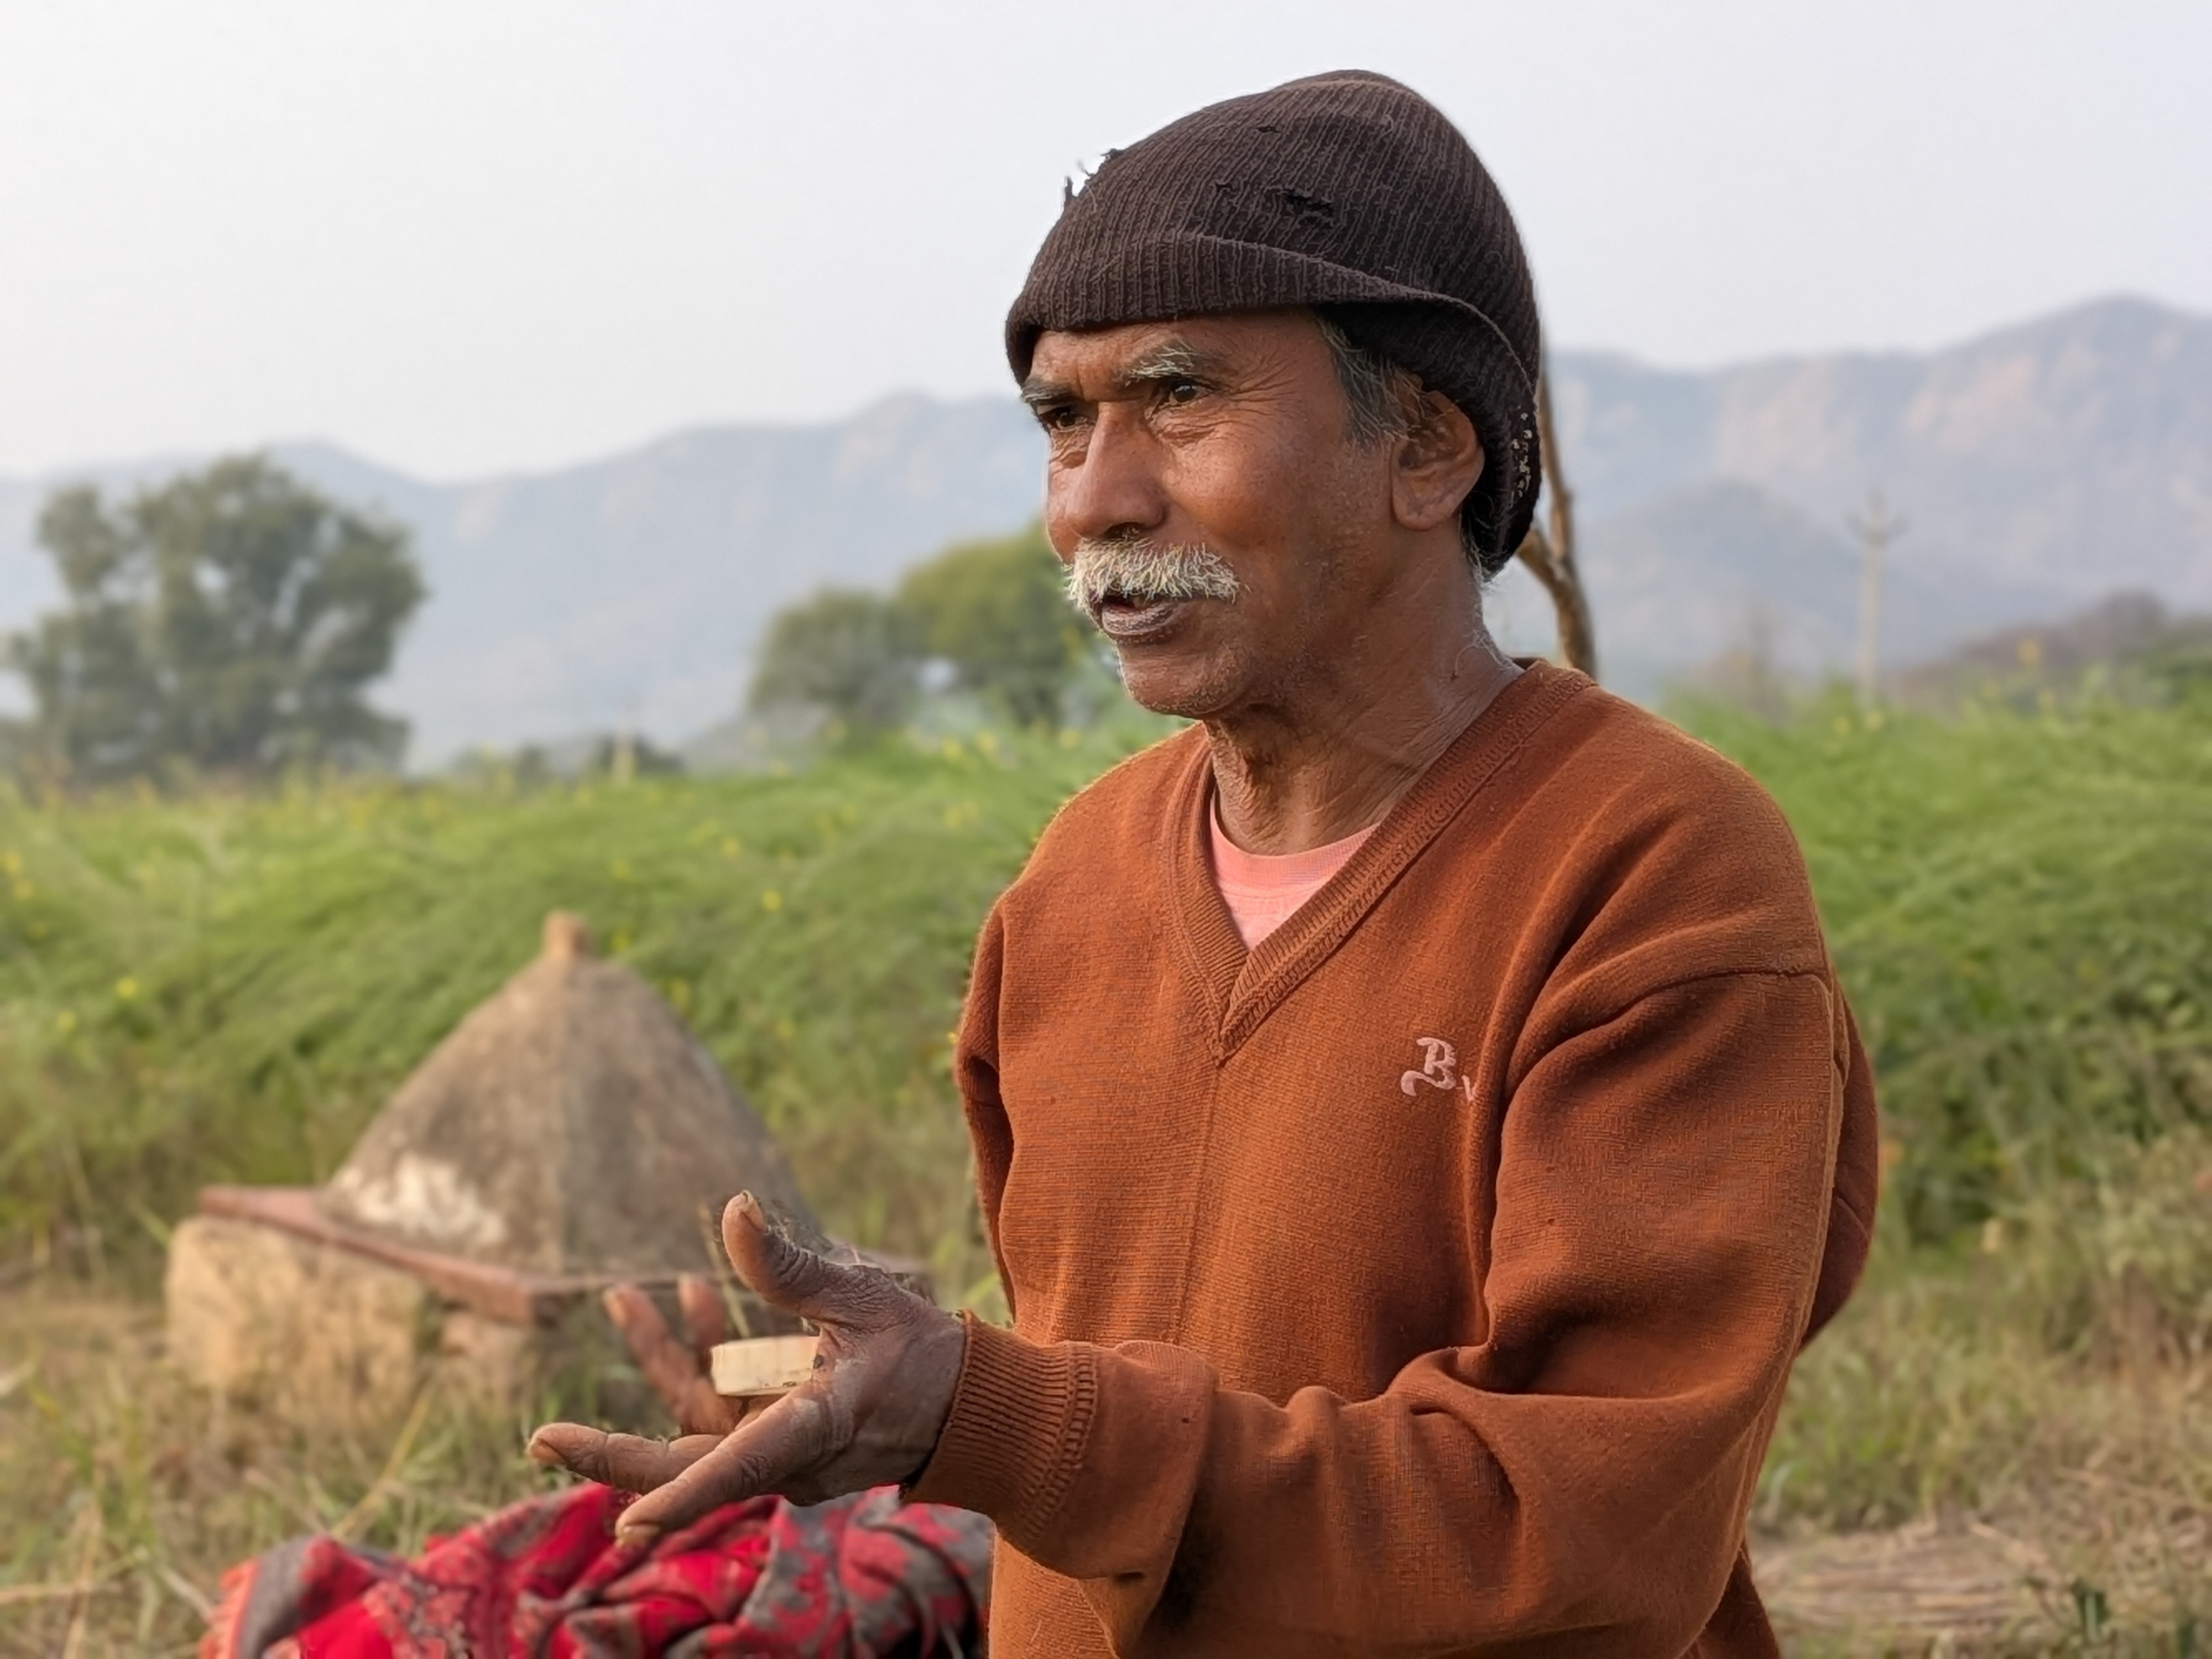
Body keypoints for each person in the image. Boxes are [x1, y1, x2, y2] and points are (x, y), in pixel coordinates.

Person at [531, 69, 1879, 1657]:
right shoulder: (1078, 884)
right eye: (1062, 422)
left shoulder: (1648, 873)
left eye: (1178, 397)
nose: (1094, 504)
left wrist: (1000, 1419)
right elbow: (1109, 1388)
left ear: (1428, 447)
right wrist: (889, 1412)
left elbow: (1586, 1526)